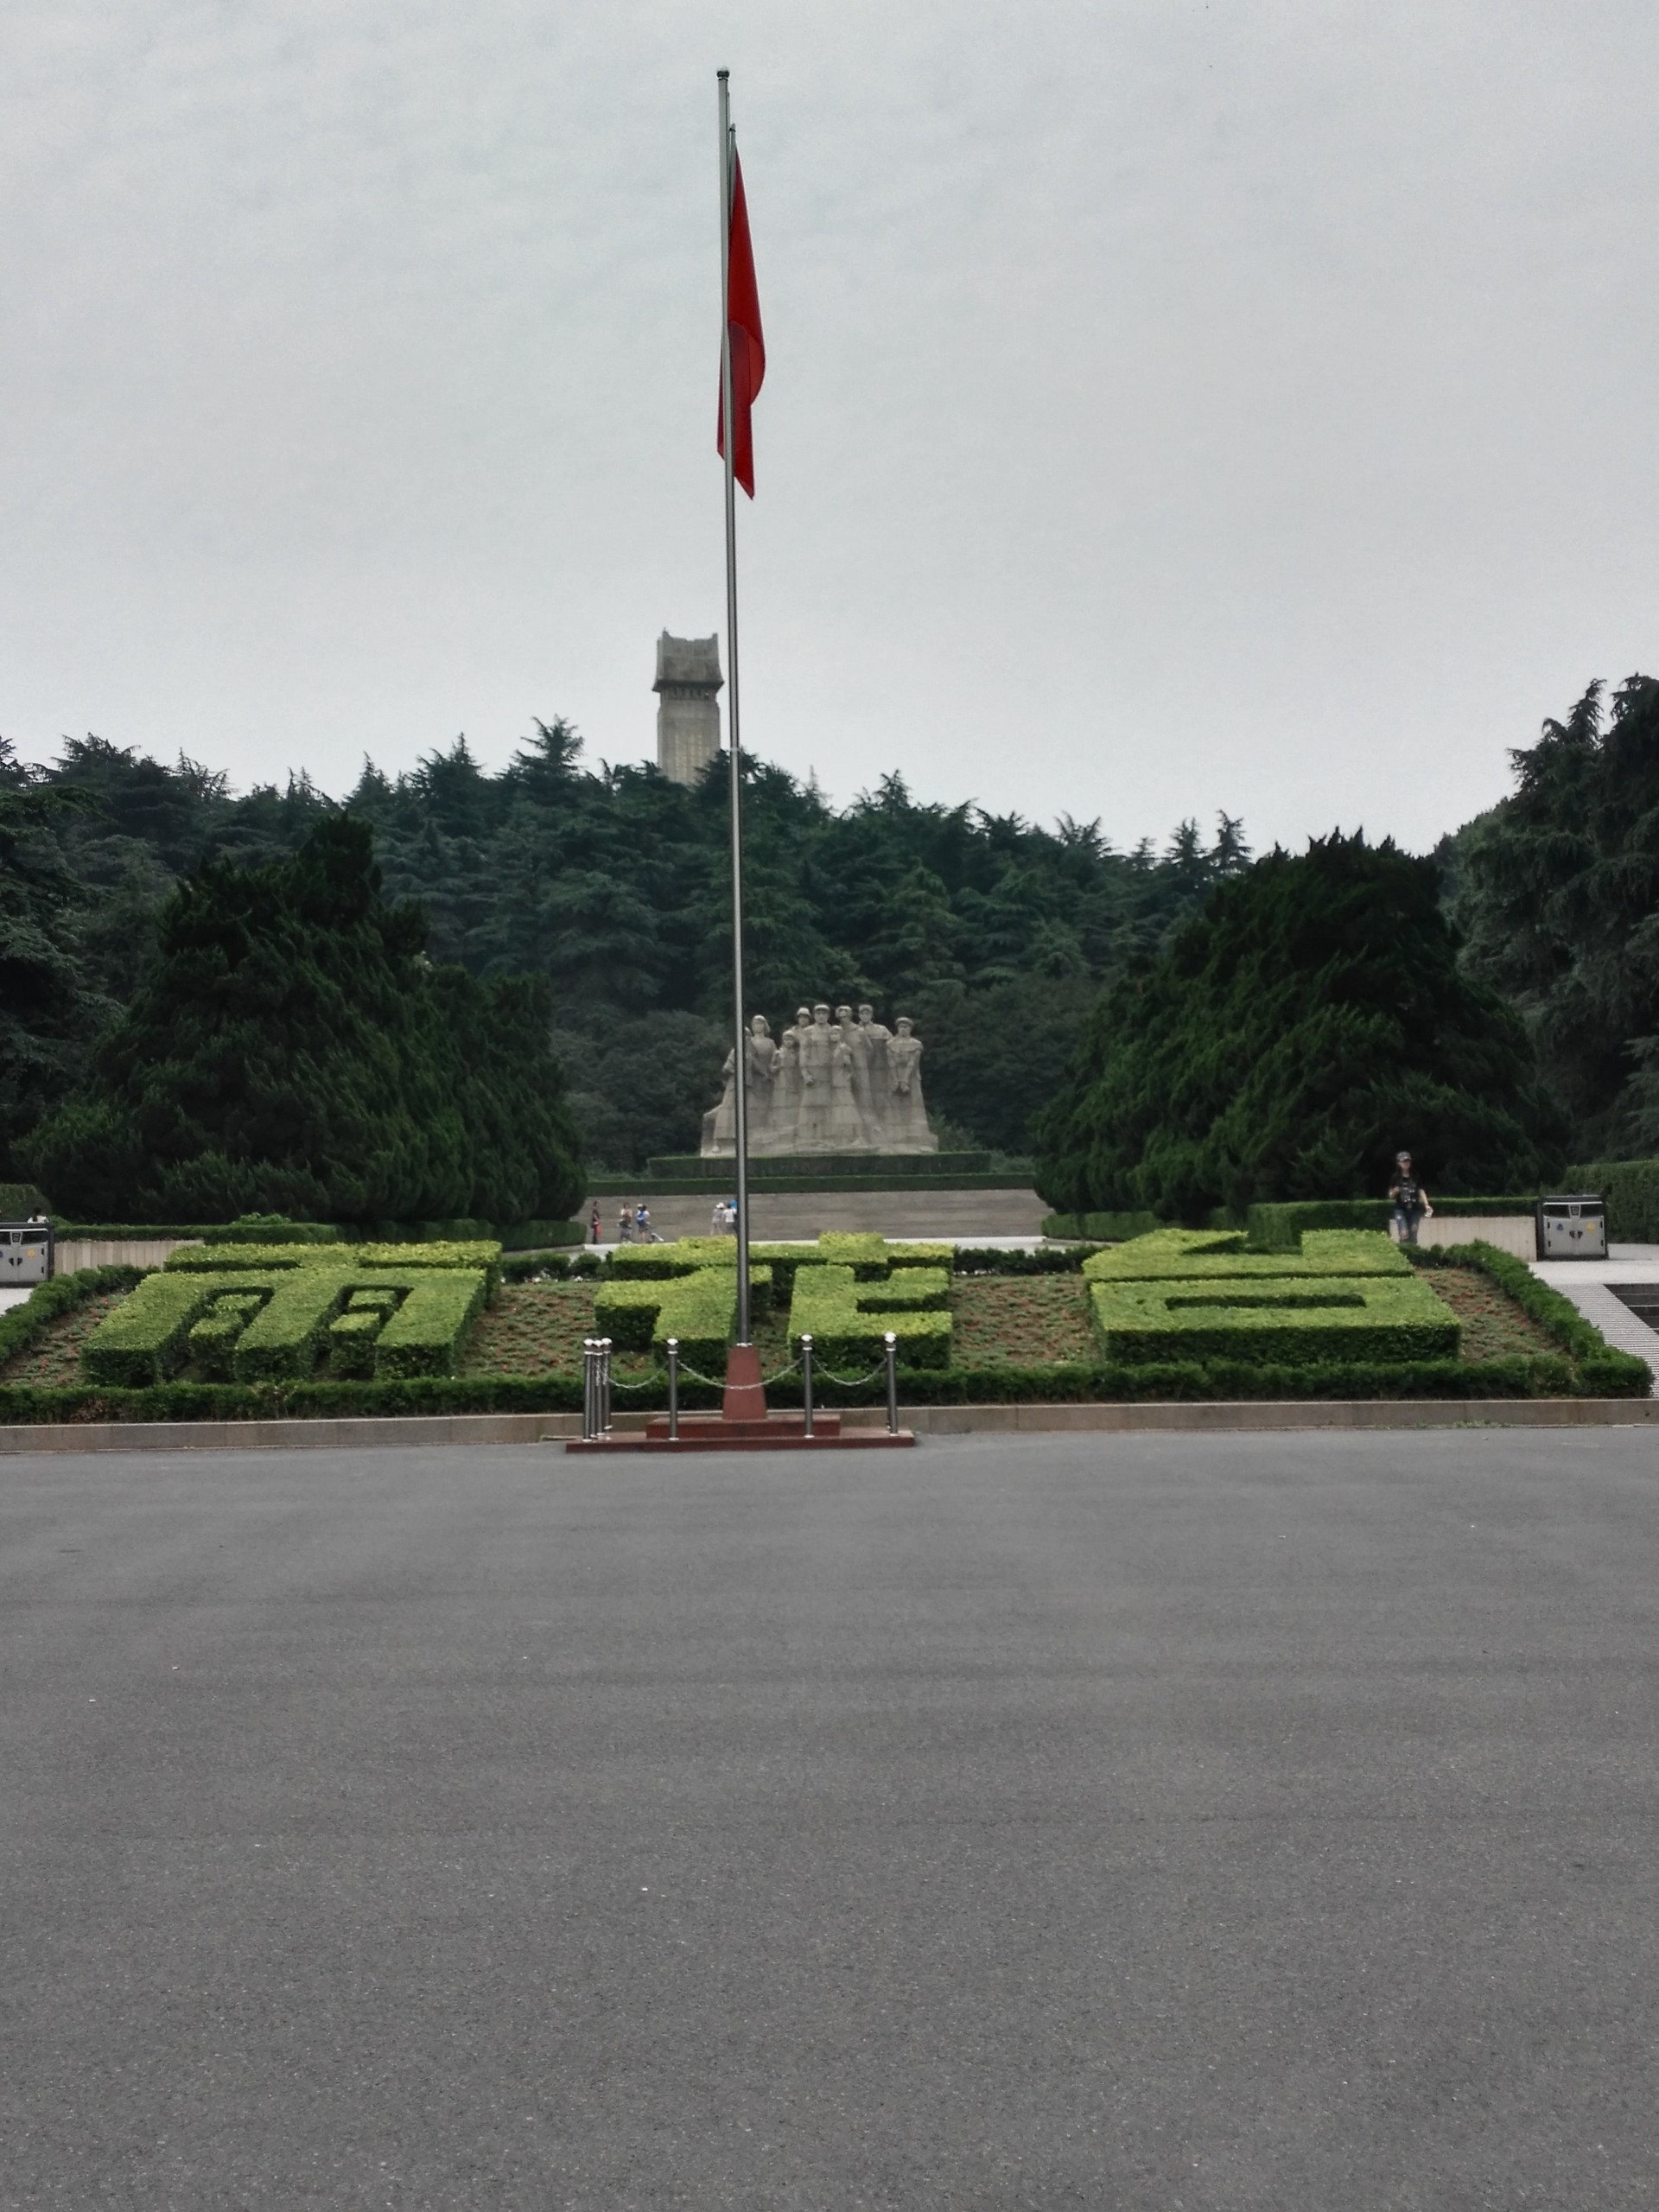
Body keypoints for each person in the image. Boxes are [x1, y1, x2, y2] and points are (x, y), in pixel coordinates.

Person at [1388, 1151, 1433, 1244]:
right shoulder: (1396, 1177)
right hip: (1401, 1209)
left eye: (1408, 1161)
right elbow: (1390, 1195)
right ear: (1399, 1163)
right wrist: (1395, 1191)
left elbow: (1420, 1190)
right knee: (1404, 1232)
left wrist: (1426, 1204)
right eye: (1404, 1161)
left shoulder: (1415, 1176)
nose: (1406, 1164)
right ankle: (1404, 1251)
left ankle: (1413, 1251)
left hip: (1414, 1209)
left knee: (1413, 1231)